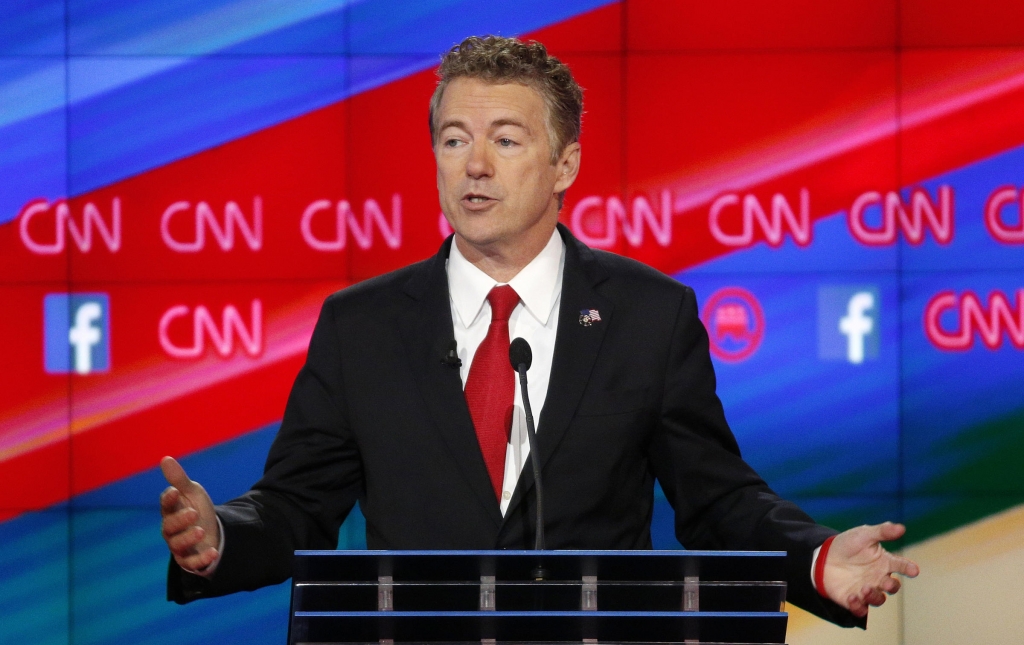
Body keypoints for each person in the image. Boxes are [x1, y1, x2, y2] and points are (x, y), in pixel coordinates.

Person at [159, 35, 918, 627]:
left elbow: (716, 500)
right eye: (455, 140)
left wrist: (814, 559)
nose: (475, 166)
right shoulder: (363, 326)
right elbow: (296, 506)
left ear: (566, 164)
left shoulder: (647, 317)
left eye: (506, 140)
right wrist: (218, 537)